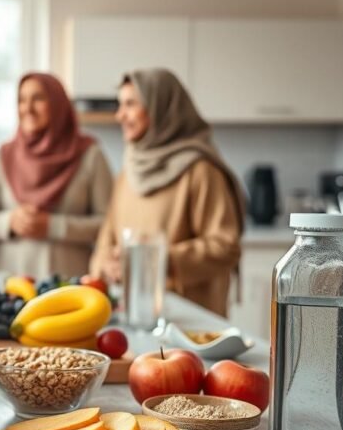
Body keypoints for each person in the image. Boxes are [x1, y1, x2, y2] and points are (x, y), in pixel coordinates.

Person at [89, 68, 244, 317]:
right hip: (134, 315)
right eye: (120, 105)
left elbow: (225, 247)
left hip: (190, 324)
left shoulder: (201, 170)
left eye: (130, 104)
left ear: (162, 108)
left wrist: (157, 261)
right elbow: (106, 241)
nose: (119, 115)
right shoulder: (128, 173)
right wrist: (107, 265)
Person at [0, 72, 112, 281]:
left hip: (69, 285)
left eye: (38, 99)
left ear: (58, 103)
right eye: (21, 100)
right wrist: (10, 221)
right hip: (8, 287)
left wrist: (54, 226)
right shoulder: (3, 156)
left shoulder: (90, 155)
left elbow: (108, 225)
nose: (27, 108)